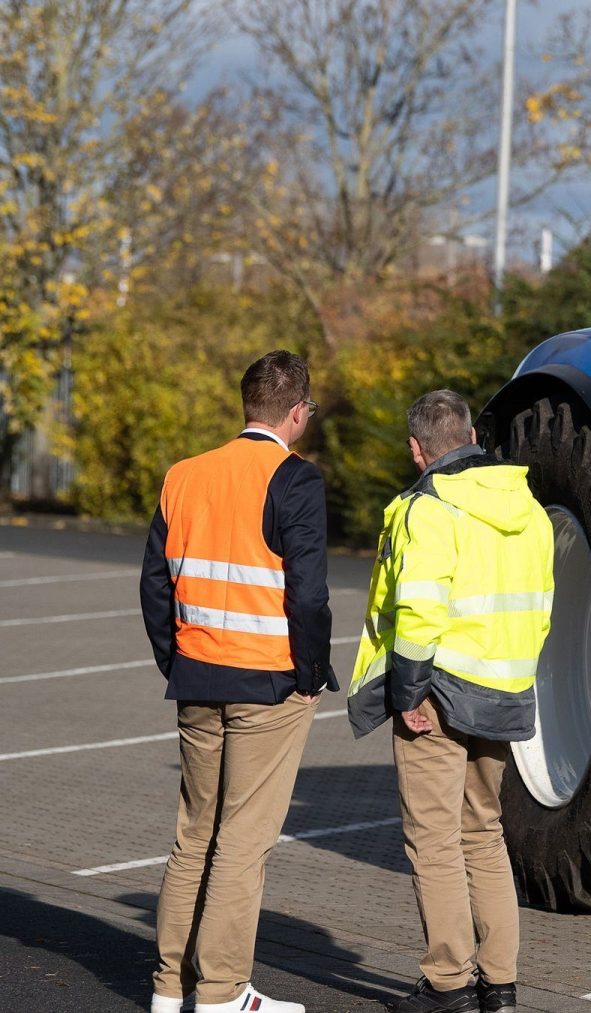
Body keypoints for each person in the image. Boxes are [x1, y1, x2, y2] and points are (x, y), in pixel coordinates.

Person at [140, 349, 336, 1013]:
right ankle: (223, 992)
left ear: (248, 405)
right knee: (243, 842)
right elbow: (308, 593)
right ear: (298, 411)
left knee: (194, 834)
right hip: (268, 683)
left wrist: (178, 659)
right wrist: (311, 674)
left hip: (198, 676)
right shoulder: (295, 478)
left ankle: (169, 986)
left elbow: (154, 586)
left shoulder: (184, 475)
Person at [347, 391, 554, 1013]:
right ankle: (500, 985)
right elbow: (542, 606)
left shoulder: (428, 508)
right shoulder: (530, 508)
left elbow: (419, 610)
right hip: (503, 689)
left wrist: (407, 692)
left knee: (433, 840)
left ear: (418, 450)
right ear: (471, 436)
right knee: (484, 834)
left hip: (436, 695)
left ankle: (448, 985)